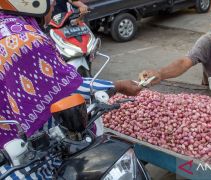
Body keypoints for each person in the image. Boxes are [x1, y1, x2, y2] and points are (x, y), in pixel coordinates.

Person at [0, 0, 141, 148]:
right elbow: (65, 88)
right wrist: (117, 86)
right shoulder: (27, 41)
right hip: (21, 143)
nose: (54, 3)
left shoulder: (6, 25)